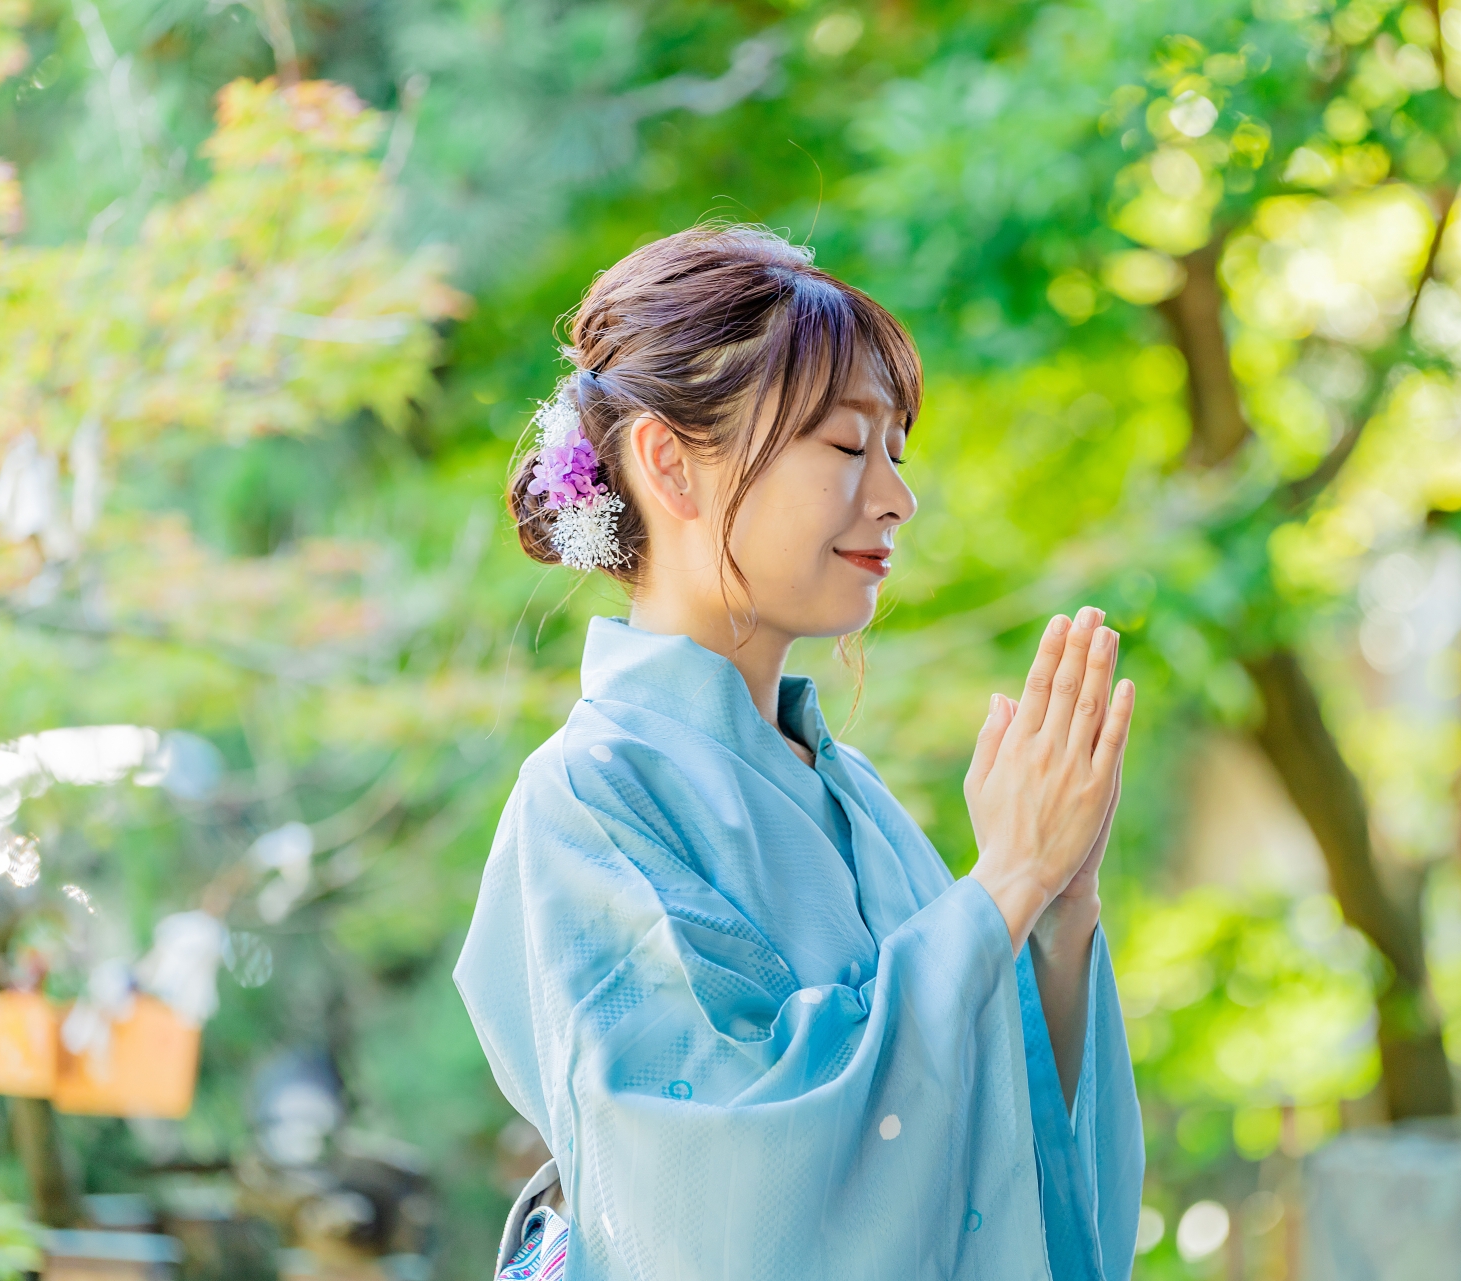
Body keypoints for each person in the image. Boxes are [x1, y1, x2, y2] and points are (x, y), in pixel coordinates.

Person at [455, 224, 1144, 1281]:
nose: (896, 499)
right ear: (670, 464)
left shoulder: (857, 800)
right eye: (845, 446)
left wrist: (1055, 907)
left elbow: (1015, 1139)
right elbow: (711, 1198)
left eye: (897, 456)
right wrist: (999, 884)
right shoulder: (589, 797)